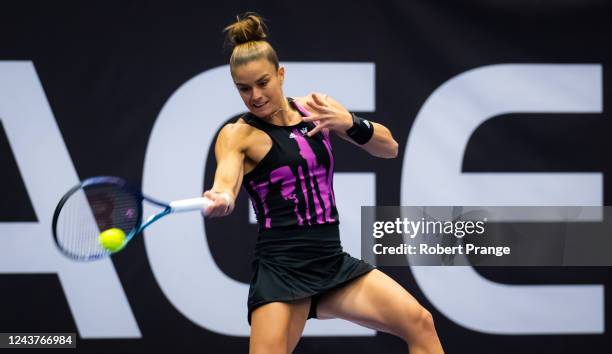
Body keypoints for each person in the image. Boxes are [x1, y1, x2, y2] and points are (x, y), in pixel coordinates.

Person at [202, 12, 444, 354]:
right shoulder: (237, 135)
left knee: (420, 323)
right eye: (244, 88)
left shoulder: (315, 108)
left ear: (281, 74)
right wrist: (223, 196)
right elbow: (226, 181)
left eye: (263, 82)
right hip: (281, 269)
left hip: (330, 260)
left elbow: (389, 148)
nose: (255, 95)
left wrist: (348, 122)